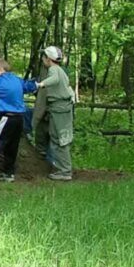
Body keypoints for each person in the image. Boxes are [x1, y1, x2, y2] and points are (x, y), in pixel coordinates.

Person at [37, 46, 75, 181]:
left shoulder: (53, 70)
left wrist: (41, 84)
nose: (42, 59)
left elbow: (54, 80)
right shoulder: (60, 70)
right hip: (60, 108)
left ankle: (64, 171)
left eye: (44, 57)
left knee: (60, 139)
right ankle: (62, 169)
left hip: (59, 108)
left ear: (48, 59)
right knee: (57, 138)